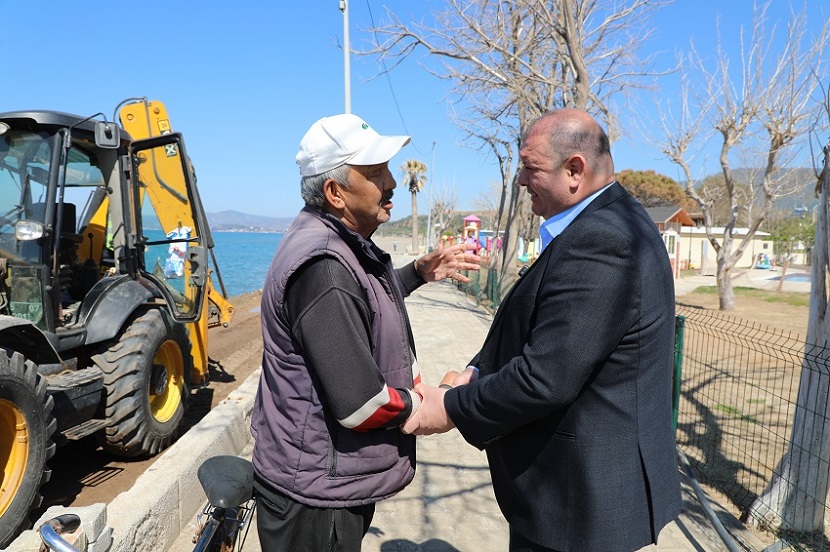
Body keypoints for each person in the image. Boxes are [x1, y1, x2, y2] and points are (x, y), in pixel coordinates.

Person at [403, 108, 682, 551]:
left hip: (582, 505)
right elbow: (540, 325)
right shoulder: (598, 225)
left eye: (530, 169)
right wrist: (479, 370)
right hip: (572, 496)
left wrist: (451, 407)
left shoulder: (606, 241)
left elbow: (545, 376)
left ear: (575, 170)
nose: (519, 181)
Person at [251, 113, 479, 552]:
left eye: (389, 170)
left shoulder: (331, 240)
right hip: (316, 495)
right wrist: (435, 403)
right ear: (335, 192)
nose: (391, 182)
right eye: (375, 173)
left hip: (323, 476)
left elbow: (358, 304)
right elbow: (361, 404)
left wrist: (416, 273)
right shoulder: (323, 268)